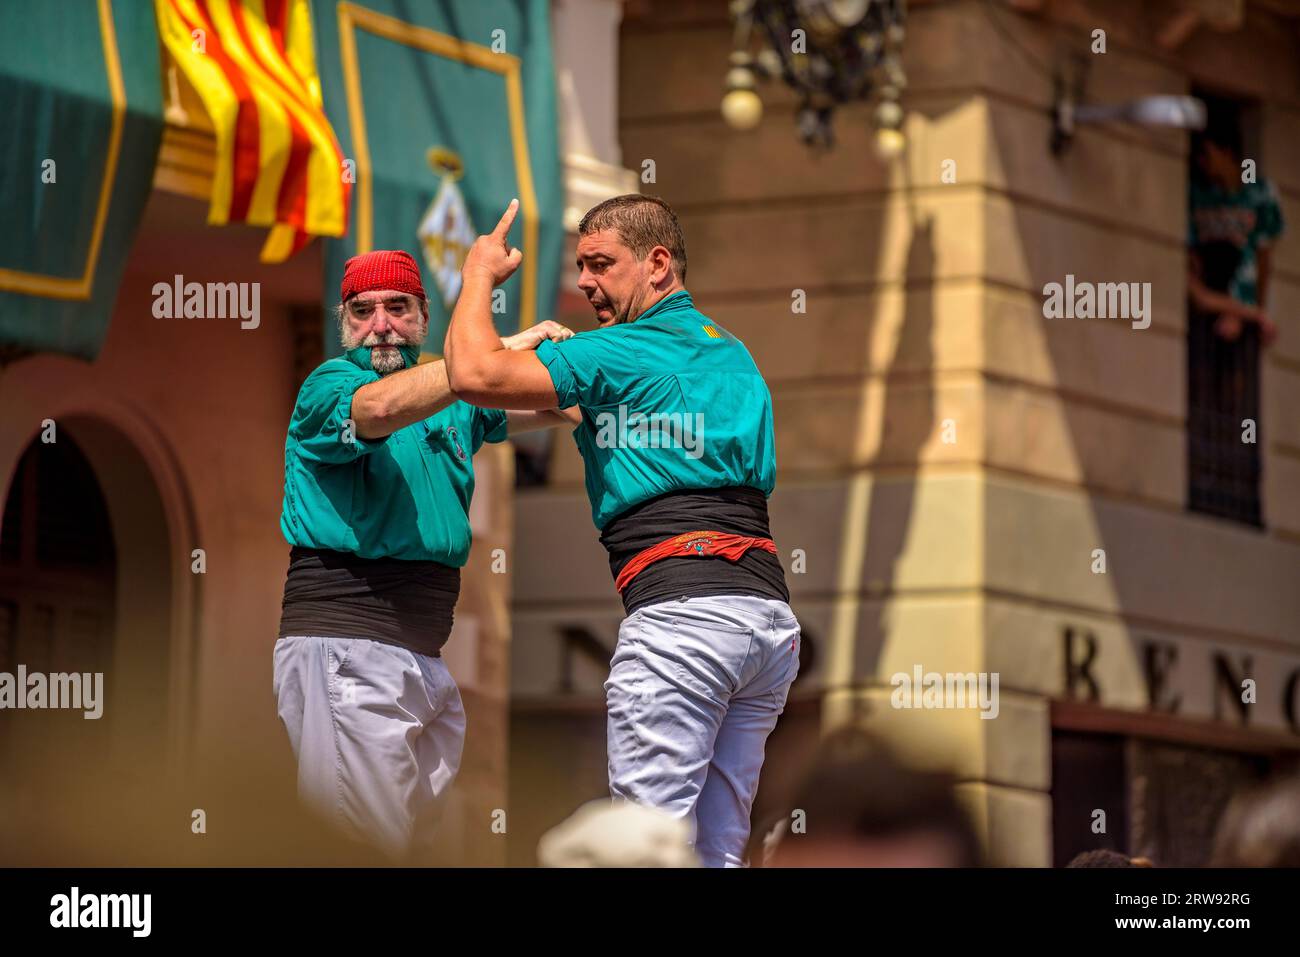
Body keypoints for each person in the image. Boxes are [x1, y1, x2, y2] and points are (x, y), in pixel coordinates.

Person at [444, 195, 799, 867]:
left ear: (657, 263)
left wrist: (479, 277)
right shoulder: (734, 355)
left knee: (638, 847)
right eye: (580, 267)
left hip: (683, 618)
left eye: (601, 264)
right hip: (765, 622)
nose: (584, 282)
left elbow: (473, 374)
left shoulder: (620, 351)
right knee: (718, 851)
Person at [272, 249, 574, 860]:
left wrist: (614, 357)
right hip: (350, 644)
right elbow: (381, 409)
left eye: (397, 307)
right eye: (363, 310)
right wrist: (497, 346)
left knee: (409, 849)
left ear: (423, 317)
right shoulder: (331, 385)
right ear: (344, 322)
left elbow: (555, 405)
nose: (380, 323)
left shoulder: (448, 393)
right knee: (363, 850)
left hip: (421, 652)